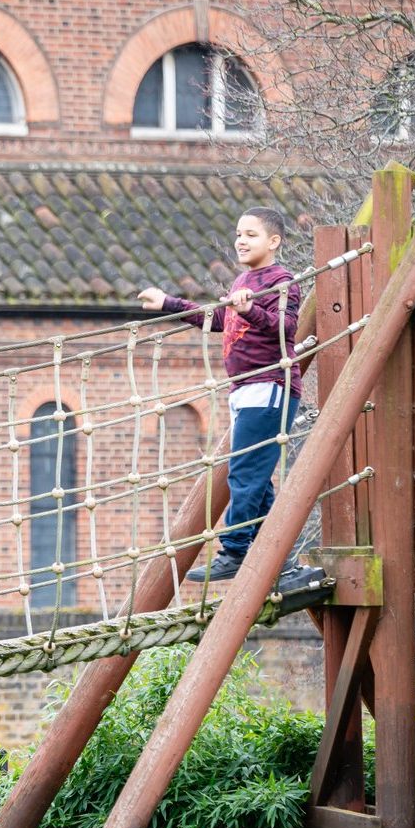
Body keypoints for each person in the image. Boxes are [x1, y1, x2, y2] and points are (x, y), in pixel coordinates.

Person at [138, 206, 302, 582]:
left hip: (269, 387)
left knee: (244, 474)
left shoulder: (282, 280)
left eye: (252, 234)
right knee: (255, 482)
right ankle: (282, 559)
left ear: (273, 241)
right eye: (239, 233)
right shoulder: (243, 280)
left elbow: (287, 327)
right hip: (244, 390)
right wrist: (170, 304)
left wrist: (250, 312)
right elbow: (220, 320)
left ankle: (235, 550)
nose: (241, 240)